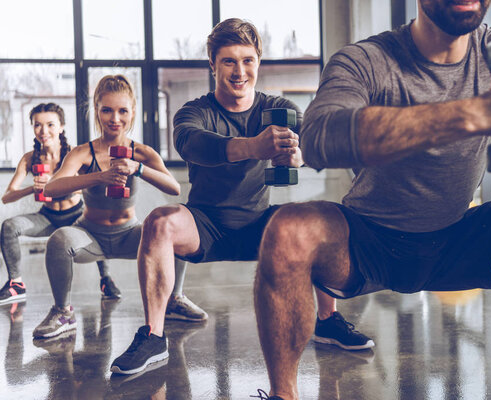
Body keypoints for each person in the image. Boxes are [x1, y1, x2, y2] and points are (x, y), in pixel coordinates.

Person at [251, 1, 491, 399]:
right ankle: (284, 395)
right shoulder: (367, 59)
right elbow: (318, 137)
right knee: (286, 230)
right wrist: (473, 114)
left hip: (459, 236)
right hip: (369, 240)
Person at [110, 18, 373, 376]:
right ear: (213, 65)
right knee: (159, 221)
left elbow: (313, 142)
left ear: (258, 62)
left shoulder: (278, 109)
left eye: (247, 60)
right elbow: (194, 145)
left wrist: (298, 155)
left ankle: (326, 320)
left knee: (317, 219)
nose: (239, 71)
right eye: (229, 61)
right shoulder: (195, 111)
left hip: (259, 223)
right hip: (205, 223)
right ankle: (154, 337)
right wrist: (253, 146)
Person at [32, 75, 206, 339]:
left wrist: (139, 168)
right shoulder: (83, 153)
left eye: (122, 111)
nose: (115, 118)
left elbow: (174, 188)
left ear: (132, 112)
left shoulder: (142, 152)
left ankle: (174, 299)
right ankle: (62, 312)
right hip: (90, 235)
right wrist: (99, 177)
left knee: (176, 228)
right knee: (59, 239)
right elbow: (51, 189)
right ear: (97, 111)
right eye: (107, 110)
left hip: (130, 235)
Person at [0, 103, 118, 305]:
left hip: (76, 216)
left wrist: (60, 186)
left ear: (61, 126)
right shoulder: (29, 159)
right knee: (9, 226)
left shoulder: (76, 154)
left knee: (97, 221)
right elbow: (7, 196)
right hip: (48, 217)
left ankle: (106, 279)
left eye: (50, 125)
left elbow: (95, 187)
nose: (43, 131)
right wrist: (34, 188)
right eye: (38, 125)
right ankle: (15, 283)